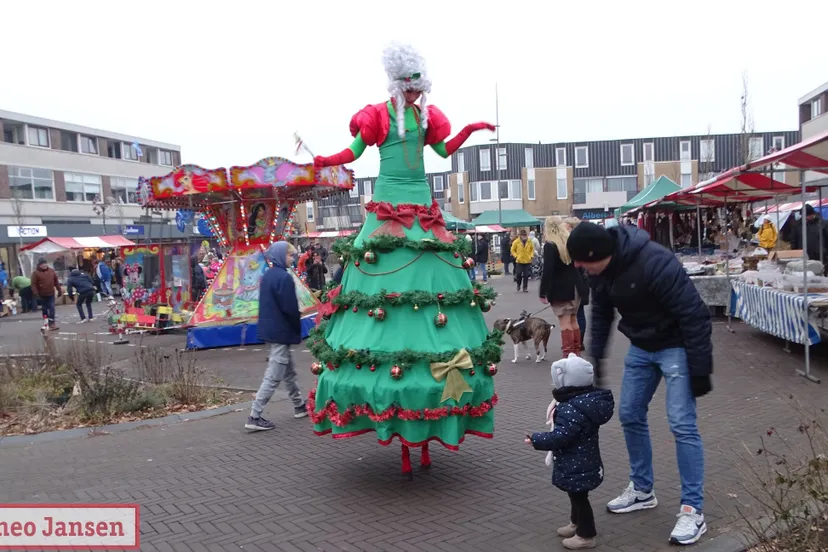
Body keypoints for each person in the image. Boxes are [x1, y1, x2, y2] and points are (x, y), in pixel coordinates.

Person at [310, 42, 497, 478]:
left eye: (419, 89)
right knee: (380, 285)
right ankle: (396, 414)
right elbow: (355, 152)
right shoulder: (377, 114)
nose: (414, 96)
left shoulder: (426, 117)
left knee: (434, 281)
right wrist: (326, 160)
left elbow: (445, 152)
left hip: (422, 203)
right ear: (397, 86)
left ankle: (425, 435)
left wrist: (469, 128)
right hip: (391, 201)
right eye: (408, 89)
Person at [566, 221, 713, 546]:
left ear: (597, 253)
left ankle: (693, 509)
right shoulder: (598, 272)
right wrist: (598, 359)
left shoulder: (655, 262)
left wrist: (700, 369)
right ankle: (643, 489)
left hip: (676, 345)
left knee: (681, 423)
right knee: (630, 413)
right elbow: (602, 313)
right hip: (642, 346)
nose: (577, 265)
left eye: (580, 259)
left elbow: (694, 314)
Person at [527, 354, 614, 550]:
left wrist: (536, 440)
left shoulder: (571, 408)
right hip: (583, 460)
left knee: (580, 498)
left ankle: (586, 534)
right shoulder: (584, 402)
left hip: (577, 463)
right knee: (575, 494)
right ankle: (576, 523)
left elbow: (561, 436)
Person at [246, 241, 308, 431]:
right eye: (290, 255)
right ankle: (255, 415)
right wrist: (297, 326)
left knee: (288, 371)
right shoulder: (284, 278)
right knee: (274, 375)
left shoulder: (267, 276)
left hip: (271, 330)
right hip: (281, 331)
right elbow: (290, 308)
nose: (293, 258)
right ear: (281, 256)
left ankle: (299, 406)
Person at [539, 216, 589, 358]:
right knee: (573, 320)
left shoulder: (550, 245)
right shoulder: (570, 242)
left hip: (560, 289)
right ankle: (576, 352)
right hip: (576, 287)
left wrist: (543, 292)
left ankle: (568, 355)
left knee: (565, 321)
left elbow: (548, 271)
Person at [563, 217, 588, 351]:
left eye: (566, 227)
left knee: (575, 313)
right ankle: (579, 342)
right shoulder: (583, 242)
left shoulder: (572, 243)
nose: (564, 229)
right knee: (579, 313)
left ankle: (576, 342)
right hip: (582, 281)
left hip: (576, 282)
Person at [31, 258, 63, 330]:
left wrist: (59, 289)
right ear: (39, 265)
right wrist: (35, 293)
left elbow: (56, 281)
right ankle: (46, 323)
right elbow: (33, 284)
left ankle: (52, 323)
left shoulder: (51, 271)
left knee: (52, 308)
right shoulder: (36, 273)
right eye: (42, 264)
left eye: (45, 263)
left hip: (51, 293)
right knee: (45, 309)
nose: (44, 265)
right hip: (41, 294)